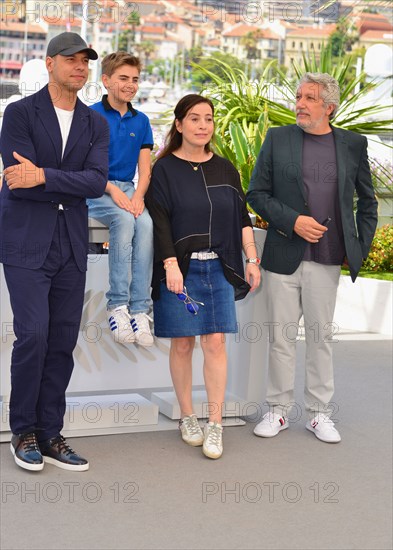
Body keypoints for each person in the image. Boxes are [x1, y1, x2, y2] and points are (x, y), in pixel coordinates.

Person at [247, 72, 378, 443]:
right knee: (281, 338)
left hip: (328, 256)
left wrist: (359, 247)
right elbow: (256, 193)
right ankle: (278, 411)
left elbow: (367, 202)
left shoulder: (353, 144)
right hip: (284, 253)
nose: (299, 104)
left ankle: (320, 414)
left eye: (309, 98)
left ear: (329, 108)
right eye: (299, 96)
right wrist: (294, 221)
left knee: (320, 338)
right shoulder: (278, 138)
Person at [0, 32, 109, 471]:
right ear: (49, 63)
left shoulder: (94, 123)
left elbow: (97, 181)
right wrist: (60, 179)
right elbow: (15, 178)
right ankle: (22, 429)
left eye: (86, 61)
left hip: (70, 243)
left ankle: (50, 433)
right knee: (34, 335)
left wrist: (44, 176)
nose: (80, 67)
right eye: (71, 59)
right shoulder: (19, 112)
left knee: (63, 340)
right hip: (25, 239)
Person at [146, 94, 261, 459]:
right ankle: (187, 416)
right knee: (183, 344)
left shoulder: (226, 168)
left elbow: (241, 217)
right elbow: (160, 221)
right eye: (194, 118)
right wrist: (170, 264)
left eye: (208, 119)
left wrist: (252, 259)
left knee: (215, 343)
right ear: (179, 124)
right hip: (182, 267)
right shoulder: (163, 170)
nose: (202, 125)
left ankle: (215, 424)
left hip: (220, 267)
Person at [87, 52, 154, 347]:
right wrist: (113, 191)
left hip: (128, 188)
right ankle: (117, 305)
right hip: (94, 188)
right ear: (106, 80)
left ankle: (140, 308)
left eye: (135, 79)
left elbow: (145, 170)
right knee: (124, 219)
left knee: (147, 225)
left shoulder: (142, 121)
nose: (130, 85)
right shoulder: (89, 115)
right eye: (123, 78)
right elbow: (81, 168)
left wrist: (138, 196)